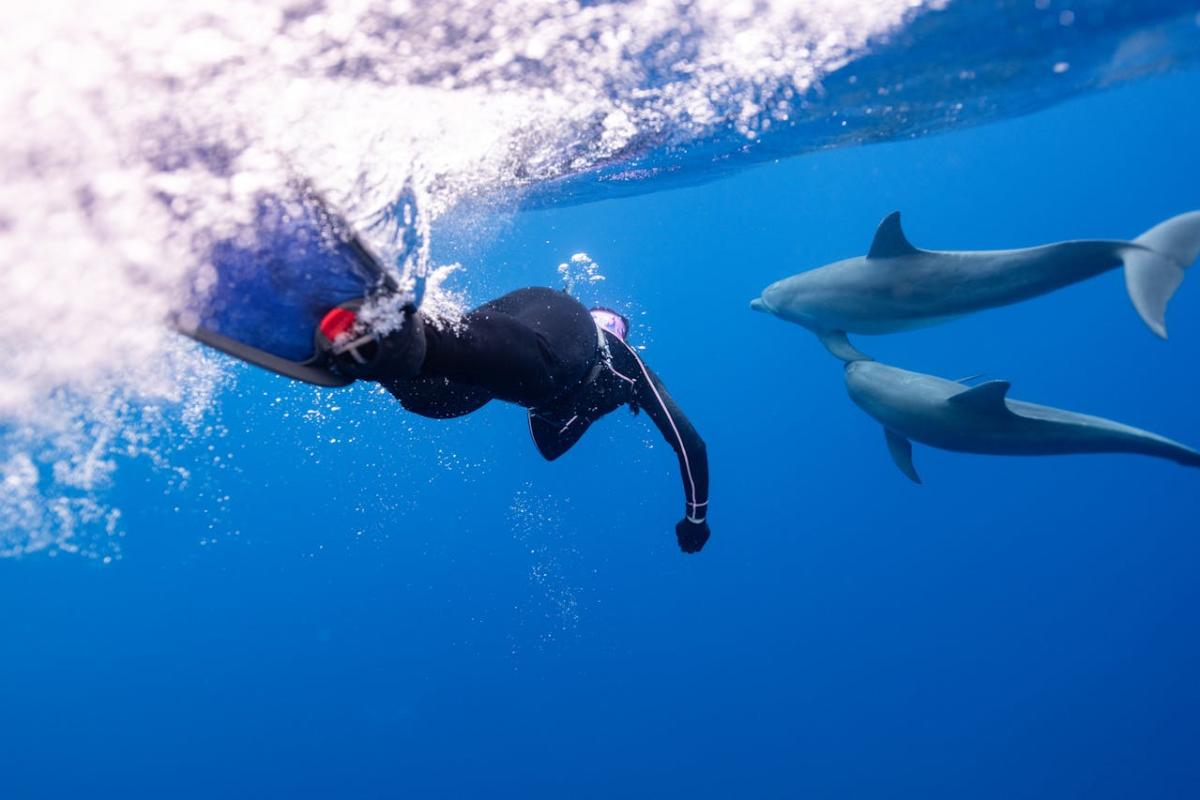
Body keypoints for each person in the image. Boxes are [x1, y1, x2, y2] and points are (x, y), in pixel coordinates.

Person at [317, 286, 710, 553]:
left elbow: (548, 446)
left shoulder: (597, 386)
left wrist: (586, 411)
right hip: (557, 336)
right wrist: (696, 520)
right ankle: (391, 326)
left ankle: (369, 347)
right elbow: (691, 443)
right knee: (536, 373)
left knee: (440, 400)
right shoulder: (628, 365)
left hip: (527, 313)